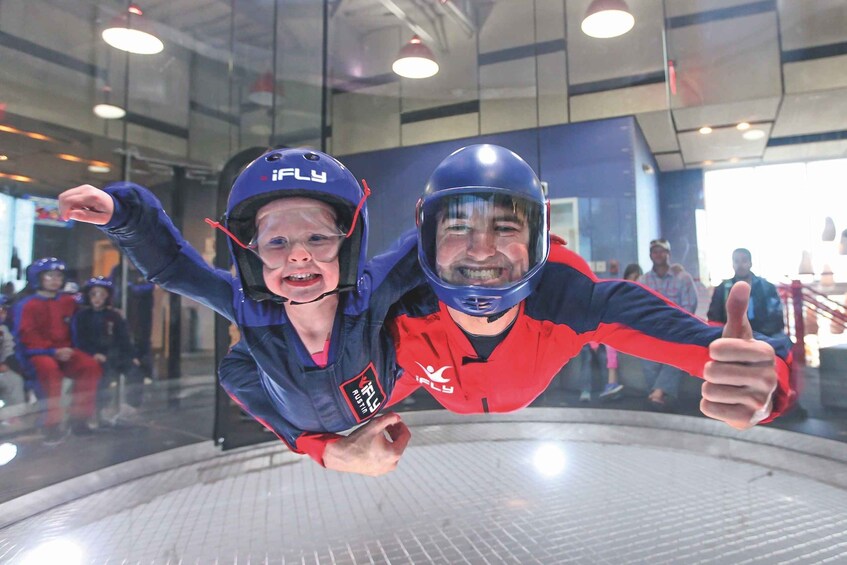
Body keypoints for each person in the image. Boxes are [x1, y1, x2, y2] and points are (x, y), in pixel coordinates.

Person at [222, 145, 794, 476]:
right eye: (457, 227)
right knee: (311, 392)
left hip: (442, 377)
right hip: (406, 378)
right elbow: (250, 375)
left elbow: (723, 354)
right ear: (424, 238)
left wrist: (768, 387)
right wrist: (331, 450)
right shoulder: (387, 310)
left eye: (506, 226)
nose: (480, 249)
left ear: (541, 237)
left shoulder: (571, 298)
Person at [59, 148, 422, 466]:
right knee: (235, 372)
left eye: (317, 238)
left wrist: (462, 204)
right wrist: (125, 216)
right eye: (276, 242)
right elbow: (176, 268)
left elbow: (423, 249)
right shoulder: (250, 306)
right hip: (292, 409)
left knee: (426, 314)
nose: (298, 255)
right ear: (252, 257)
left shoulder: (368, 291)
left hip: (383, 390)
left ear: (348, 244)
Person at [11, 258, 102, 443]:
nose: (55, 280)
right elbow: (26, 336)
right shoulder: (28, 305)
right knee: (50, 372)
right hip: (36, 353)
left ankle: (80, 419)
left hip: (66, 351)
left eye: (59, 276)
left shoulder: (67, 301)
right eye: (50, 275)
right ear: (39, 278)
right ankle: (50, 424)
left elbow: (84, 314)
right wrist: (53, 351)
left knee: (90, 366)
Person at [72, 277, 142, 425]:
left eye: (102, 295)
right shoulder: (82, 316)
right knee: (104, 376)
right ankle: (100, 411)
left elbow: (123, 338)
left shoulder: (114, 316)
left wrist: (132, 355)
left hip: (114, 354)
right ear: (87, 296)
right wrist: (93, 353)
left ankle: (130, 408)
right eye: (93, 294)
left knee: (134, 372)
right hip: (94, 356)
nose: (97, 299)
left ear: (108, 297)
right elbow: (79, 340)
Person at [638, 239, 698, 409]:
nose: (658, 254)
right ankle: (660, 394)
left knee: (678, 350)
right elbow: (641, 309)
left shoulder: (683, 278)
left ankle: (657, 394)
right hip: (652, 329)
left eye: (662, 251)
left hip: (678, 327)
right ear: (650, 255)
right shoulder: (644, 280)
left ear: (668, 254)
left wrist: (674, 325)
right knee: (645, 352)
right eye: (655, 251)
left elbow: (689, 306)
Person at [707, 248, 784, 337]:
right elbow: (714, 318)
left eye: (744, 260)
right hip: (733, 336)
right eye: (736, 261)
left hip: (764, 335)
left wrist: (759, 336)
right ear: (732, 264)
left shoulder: (766, 287)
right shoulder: (722, 289)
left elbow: (776, 318)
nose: (740, 265)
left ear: (750, 263)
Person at [0, 296, 26, 425]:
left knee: (15, 380)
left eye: (3, 311)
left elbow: (8, 350)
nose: (2, 314)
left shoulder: (3, 330)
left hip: (2, 370)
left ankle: (13, 419)